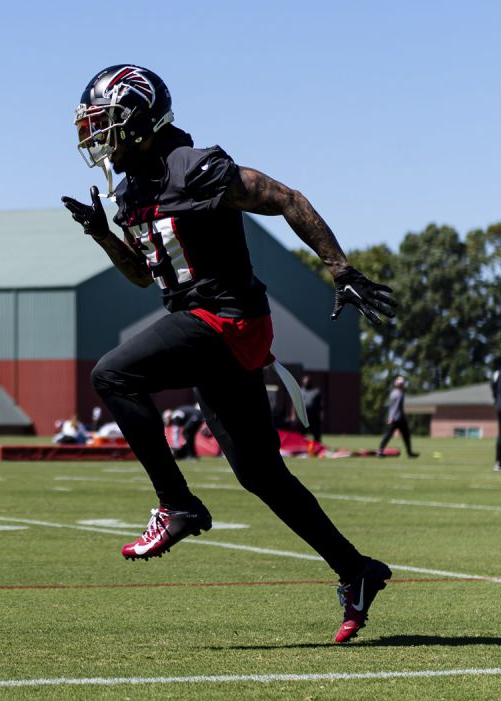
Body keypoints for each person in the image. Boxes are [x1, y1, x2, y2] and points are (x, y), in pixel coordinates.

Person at [63, 64, 396, 643]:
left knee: (112, 375)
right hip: (203, 327)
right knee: (262, 474)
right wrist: (103, 234)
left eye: (107, 124)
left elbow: (287, 198)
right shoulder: (132, 187)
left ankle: (177, 506)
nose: (99, 138)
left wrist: (340, 269)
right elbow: (147, 277)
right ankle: (357, 571)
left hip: (229, 321)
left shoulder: (194, 168)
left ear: (138, 118)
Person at [379, 377, 418, 458]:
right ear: (400, 385)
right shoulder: (400, 394)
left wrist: (390, 417)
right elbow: (396, 407)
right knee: (405, 436)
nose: (403, 385)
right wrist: (391, 418)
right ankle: (409, 453)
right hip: (398, 418)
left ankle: (380, 451)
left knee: (389, 435)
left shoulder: (393, 393)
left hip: (394, 417)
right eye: (402, 384)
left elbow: (391, 407)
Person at [301, 376, 323, 444]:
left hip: (314, 416)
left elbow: (321, 405)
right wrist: (293, 415)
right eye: (304, 382)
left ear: (310, 382)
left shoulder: (316, 391)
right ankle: (302, 446)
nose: (306, 383)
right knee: (302, 433)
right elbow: (295, 403)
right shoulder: (300, 391)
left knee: (316, 432)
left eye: (307, 382)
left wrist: (321, 415)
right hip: (303, 416)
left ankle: (318, 446)